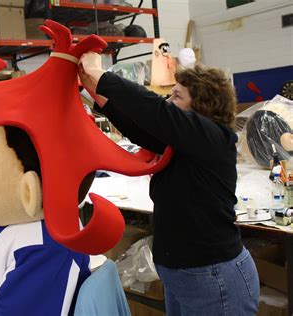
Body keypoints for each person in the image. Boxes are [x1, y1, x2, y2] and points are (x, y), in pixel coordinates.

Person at [78, 52, 260, 315]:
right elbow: (138, 126)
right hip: (183, 276)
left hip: (214, 278)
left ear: (201, 107)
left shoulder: (213, 139)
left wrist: (102, 75)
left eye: (177, 96)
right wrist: (95, 91)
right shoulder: (181, 145)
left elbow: (155, 112)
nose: (169, 101)